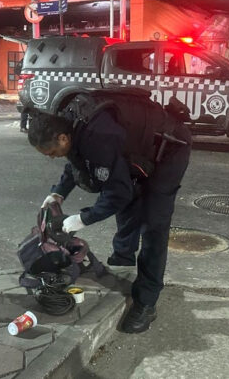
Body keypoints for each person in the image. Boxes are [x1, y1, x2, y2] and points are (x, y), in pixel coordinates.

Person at [28, 96, 191, 333]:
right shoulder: (70, 124)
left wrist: (83, 219)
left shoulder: (99, 138)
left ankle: (147, 302)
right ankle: (123, 264)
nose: (52, 156)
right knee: (128, 206)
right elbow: (76, 162)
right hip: (137, 151)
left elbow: (117, 192)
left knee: (153, 222)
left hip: (170, 148)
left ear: (62, 138)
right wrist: (58, 193)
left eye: (51, 152)